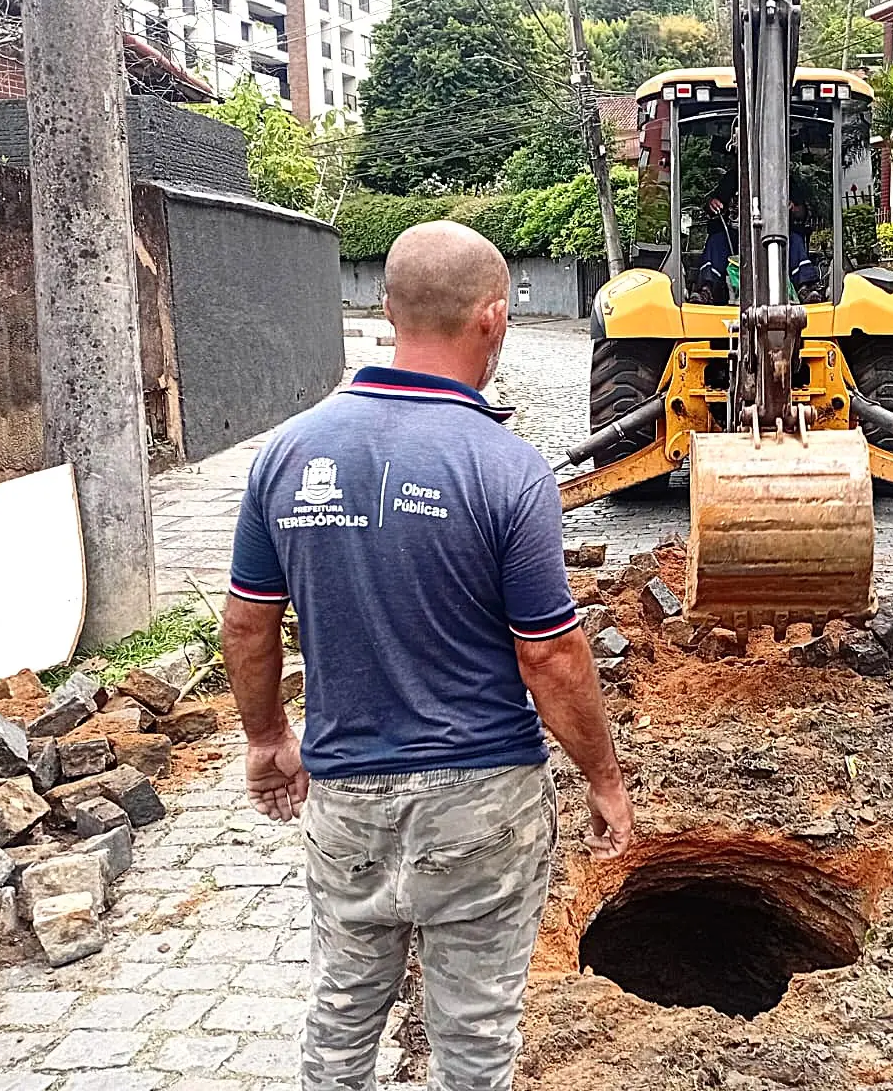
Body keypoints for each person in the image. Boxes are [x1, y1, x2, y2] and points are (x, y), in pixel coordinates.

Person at [221, 220, 634, 1091]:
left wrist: (266, 741)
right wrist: (603, 776)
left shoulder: (288, 454)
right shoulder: (506, 468)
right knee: (475, 1034)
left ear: (387, 309)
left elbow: (249, 623)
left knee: (341, 1014)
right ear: (493, 318)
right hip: (482, 803)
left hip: (346, 800)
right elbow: (551, 657)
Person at [696, 165, 824, 305]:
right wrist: (712, 204)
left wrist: (793, 207)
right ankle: (706, 290)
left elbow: (802, 212)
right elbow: (711, 205)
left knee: (795, 239)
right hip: (736, 237)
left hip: (775, 234)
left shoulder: (784, 178)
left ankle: (804, 289)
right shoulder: (732, 177)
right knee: (716, 240)